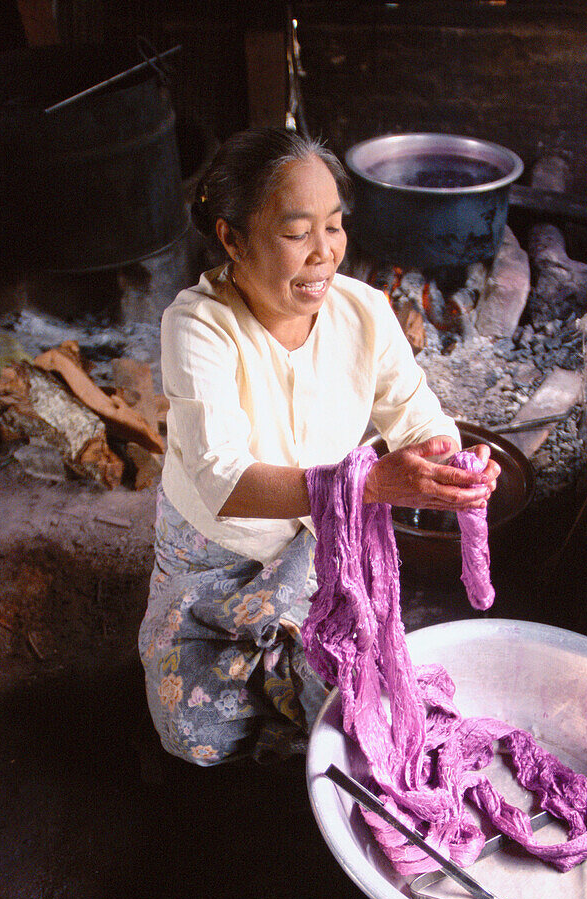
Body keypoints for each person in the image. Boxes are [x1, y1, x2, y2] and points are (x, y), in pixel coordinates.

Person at [139, 127, 500, 766]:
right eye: (296, 232)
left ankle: (296, 678)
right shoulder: (198, 325)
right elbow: (222, 477)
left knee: (364, 711)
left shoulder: (363, 311)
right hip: (214, 555)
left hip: (318, 548)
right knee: (193, 735)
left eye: (333, 227)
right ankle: (264, 672)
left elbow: (414, 412)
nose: (323, 255)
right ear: (232, 236)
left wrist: (449, 462)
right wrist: (363, 485)